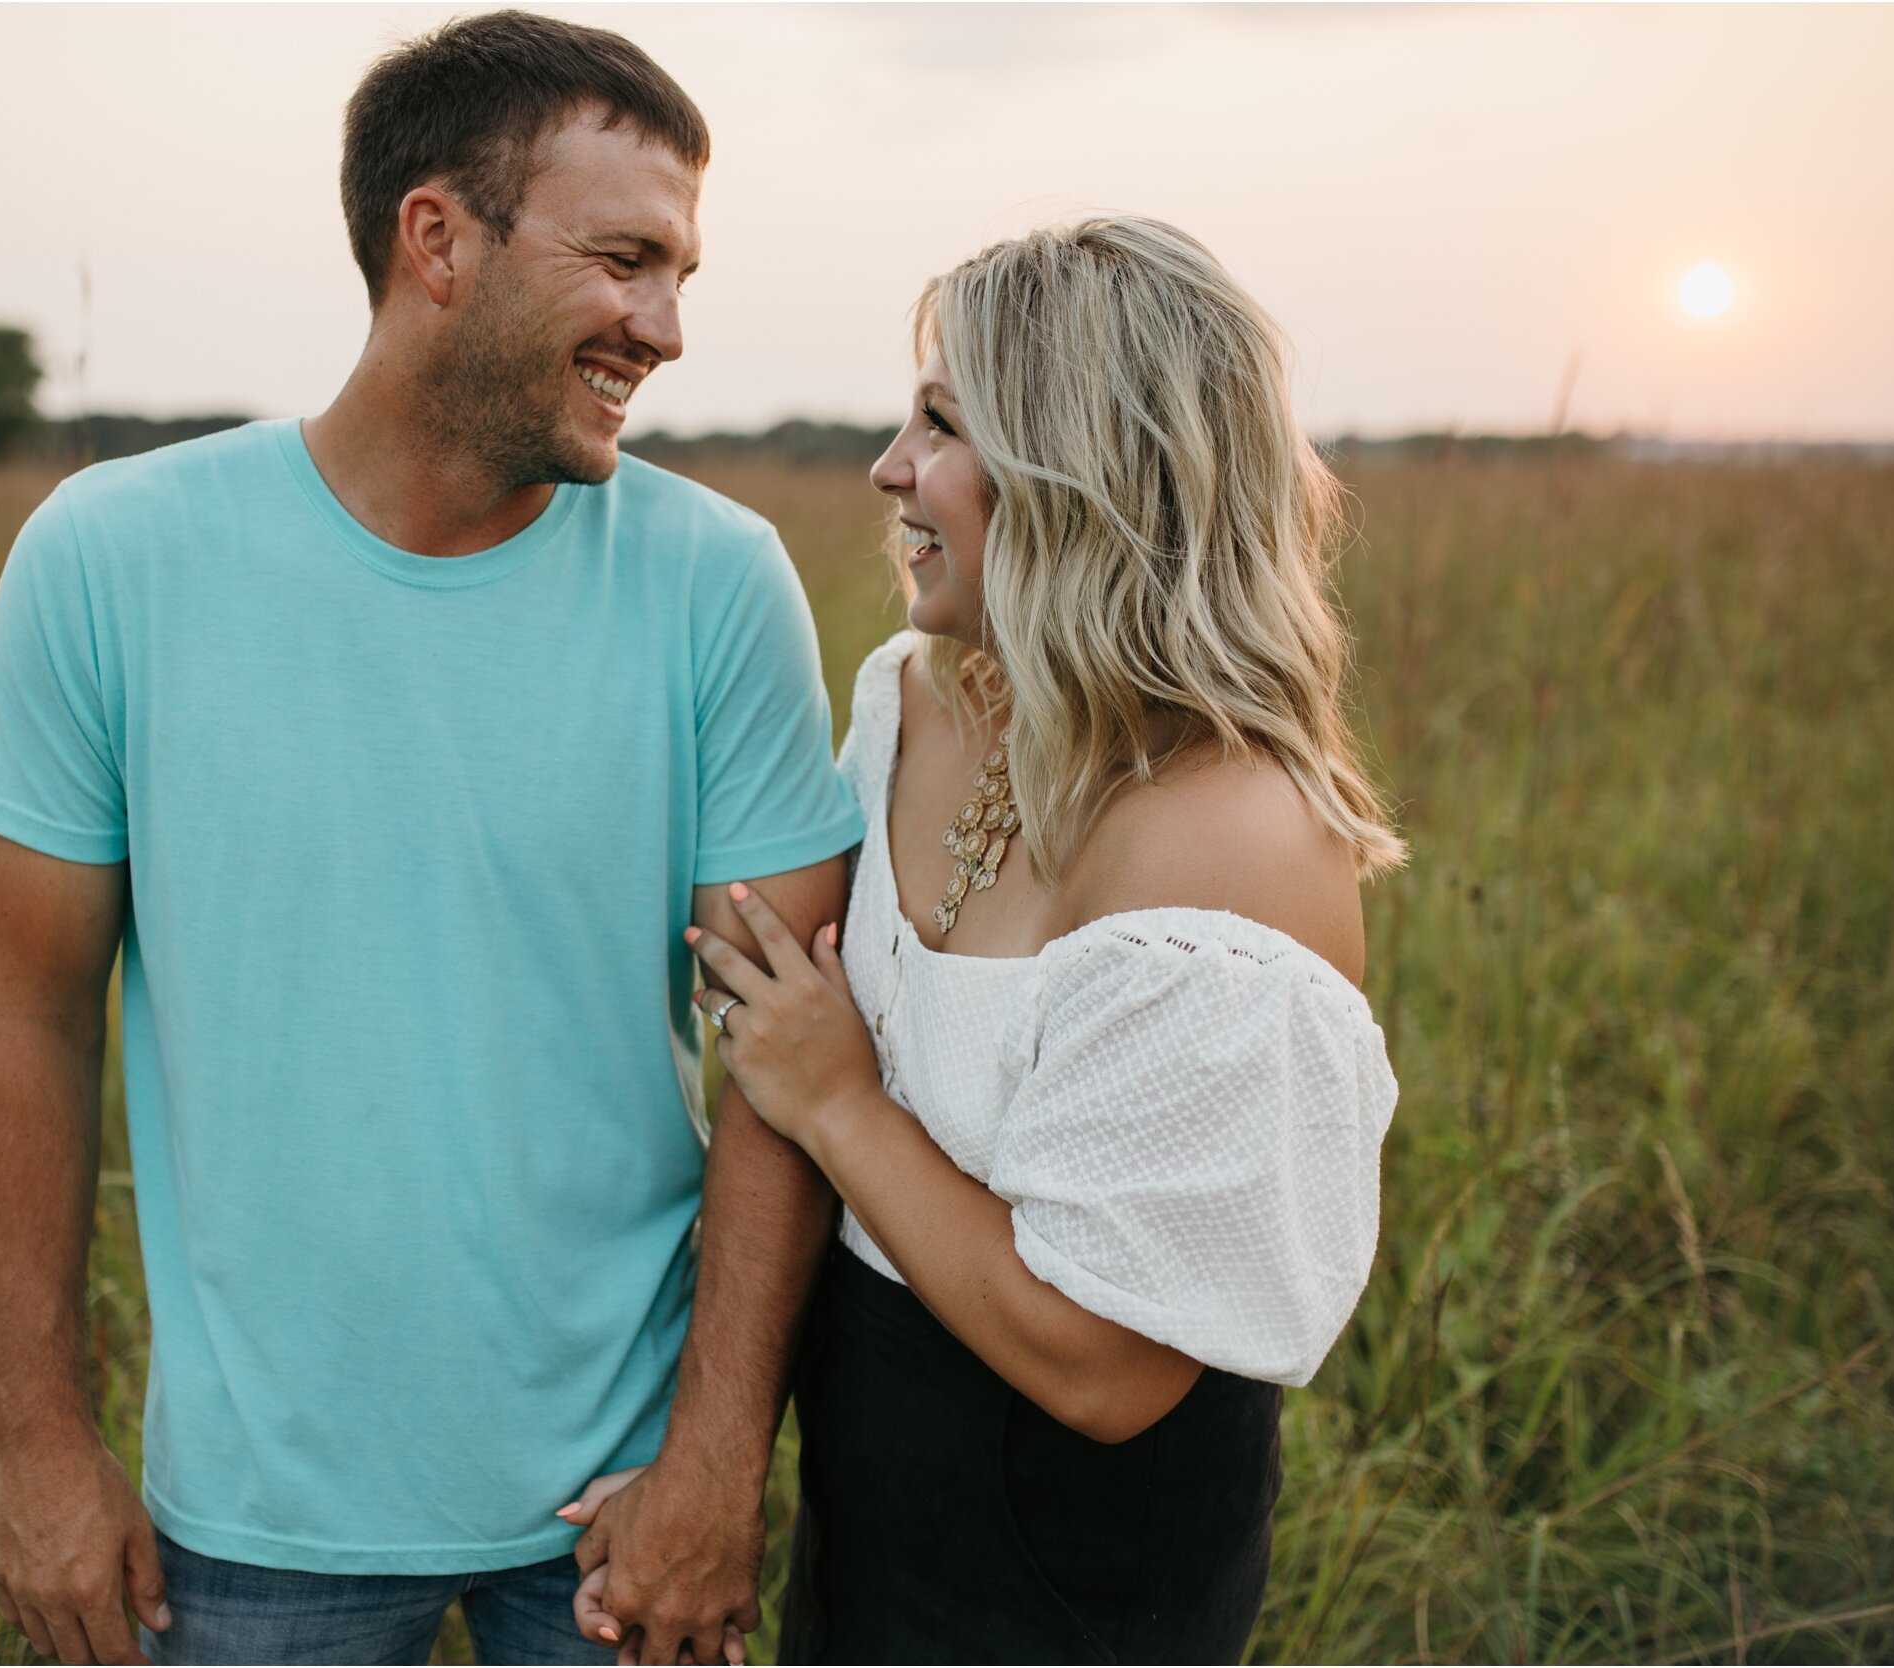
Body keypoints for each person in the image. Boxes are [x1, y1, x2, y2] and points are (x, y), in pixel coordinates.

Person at [0, 12, 864, 1665]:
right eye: (623, 259)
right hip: (251, 1519)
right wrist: (37, 1442)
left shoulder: (719, 585)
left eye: (683, 277)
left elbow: (787, 1067)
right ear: (436, 238)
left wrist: (720, 1464)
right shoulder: (111, 559)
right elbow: (27, 1018)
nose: (662, 328)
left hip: (620, 1509)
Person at [570, 217, 1404, 1663]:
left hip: (1074, 1549)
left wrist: (839, 1099)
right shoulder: (916, 693)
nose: (889, 466)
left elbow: (1107, 1369)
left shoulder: (1222, 843)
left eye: (944, 424)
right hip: (874, 1459)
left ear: (1087, 471)